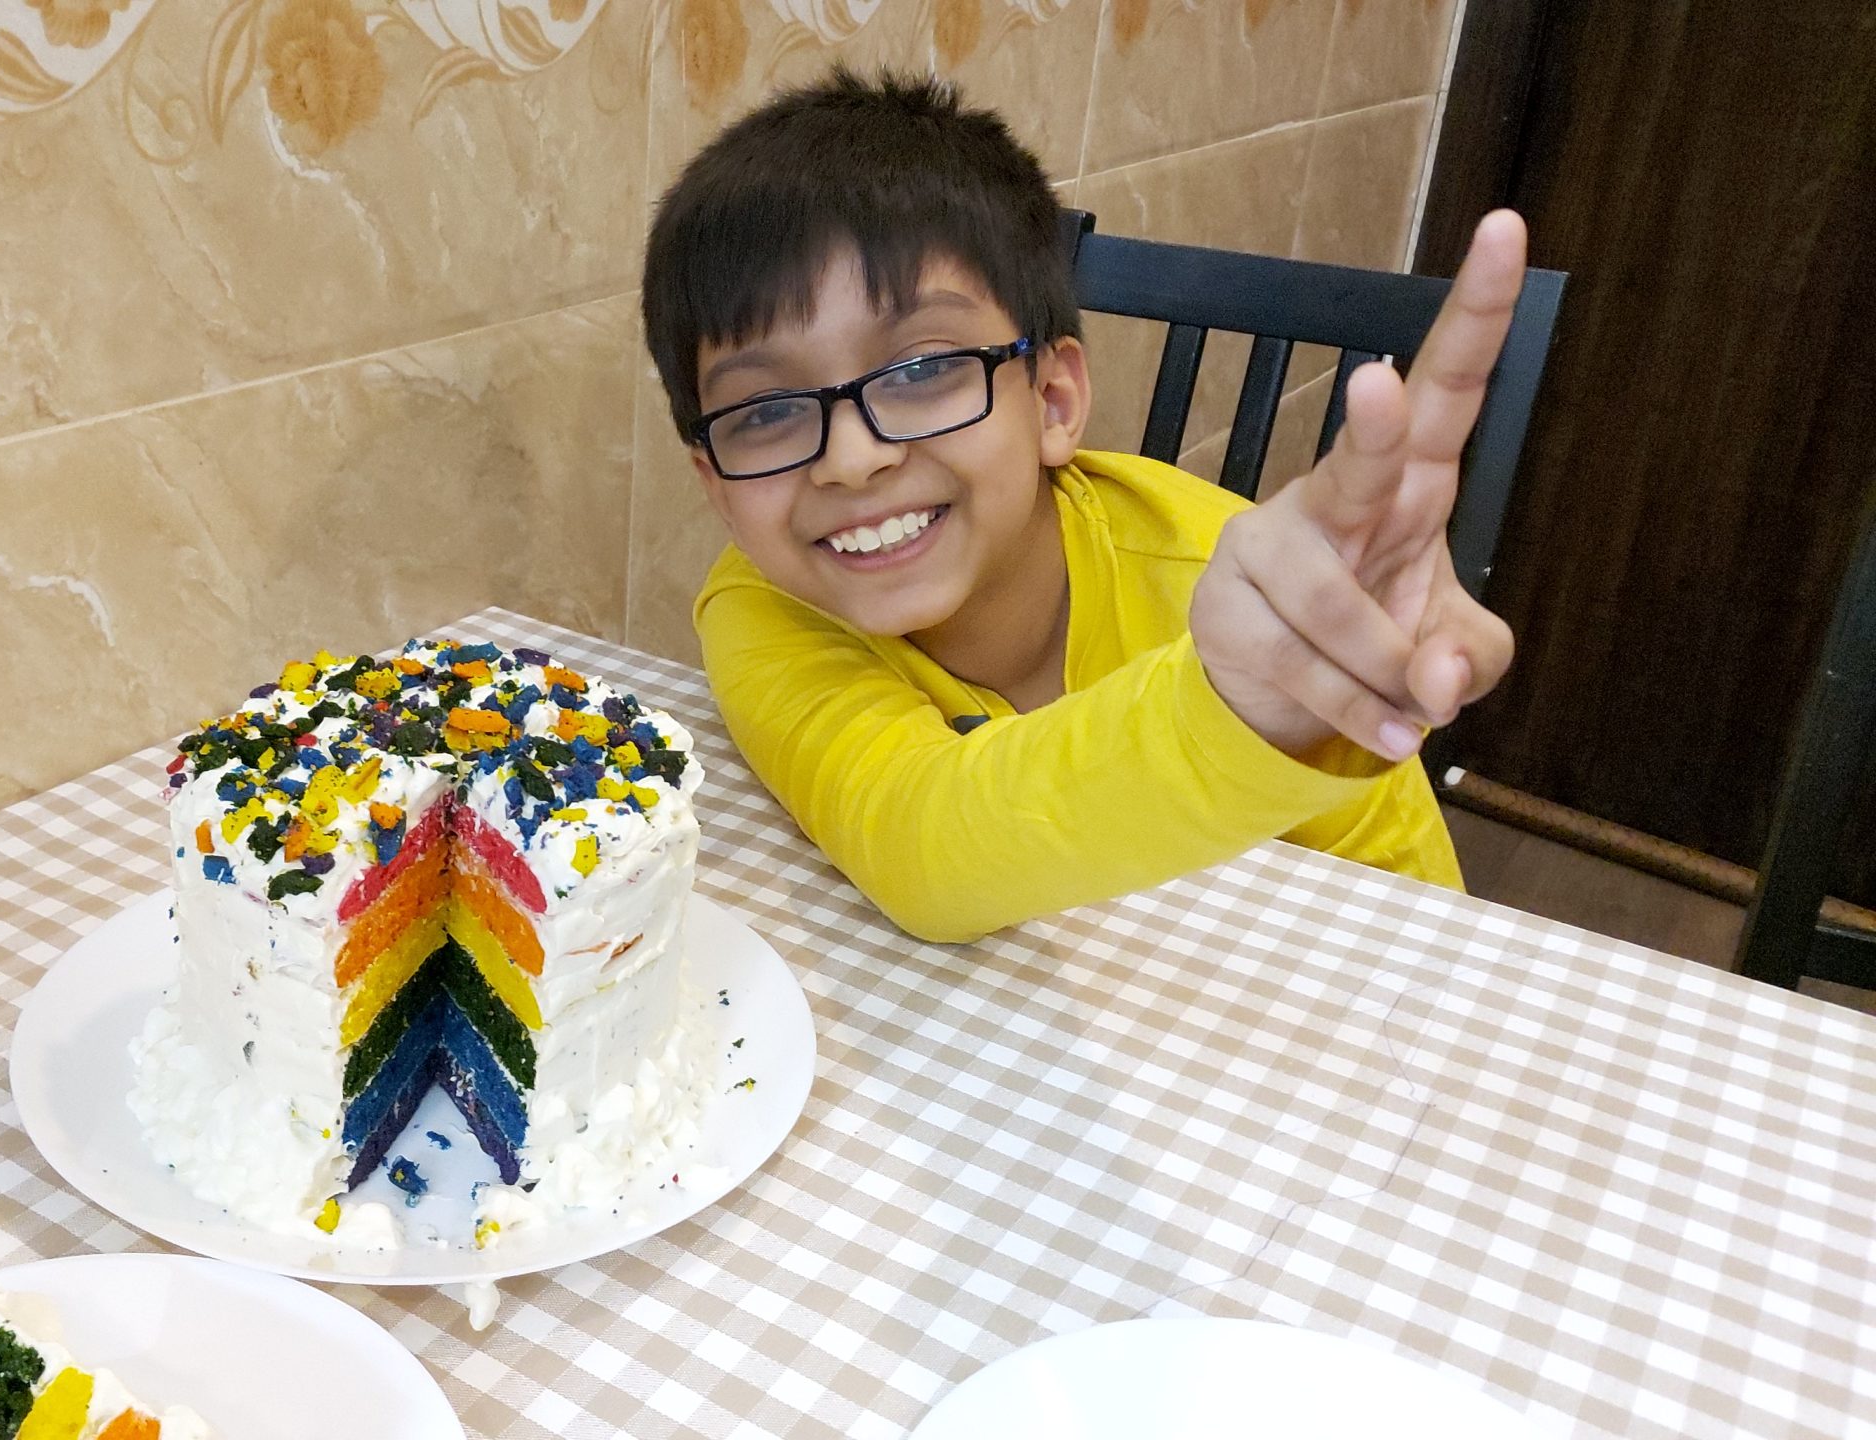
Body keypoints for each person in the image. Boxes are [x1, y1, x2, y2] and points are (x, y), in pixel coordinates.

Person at [639, 70, 1520, 943]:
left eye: (921, 370)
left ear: (1054, 399)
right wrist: (1220, 713)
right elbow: (918, 844)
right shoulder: (766, 602)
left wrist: (1254, 702)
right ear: (715, 484)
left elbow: (1429, 941)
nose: (851, 458)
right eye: (765, 412)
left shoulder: (1247, 600)